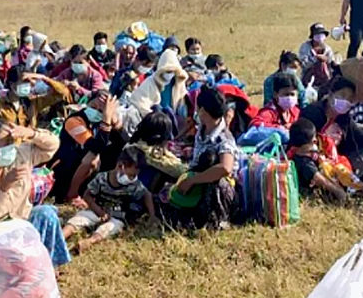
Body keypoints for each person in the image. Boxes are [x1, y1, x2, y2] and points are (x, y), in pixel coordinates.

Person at [0, 119, 69, 267]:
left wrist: (32, 133)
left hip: (21, 222)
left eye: (12, 141)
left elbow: (51, 146)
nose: (11, 147)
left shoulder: (20, 155)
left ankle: (47, 266)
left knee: (46, 213)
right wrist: (3, 189)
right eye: (6, 143)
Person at [168, 86, 238, 229]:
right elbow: (191, 123)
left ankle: (217, 221)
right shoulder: (204, 125)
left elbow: (225, 168)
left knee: (214, 175)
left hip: (217, 186)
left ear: (203, 111)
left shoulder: (223, 139)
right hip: (196, 174)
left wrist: (192, 181)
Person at [63, 146, 153, 252]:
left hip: (117, 217)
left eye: (134, 176)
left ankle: (89, 242)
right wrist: (98, 210)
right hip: (97, 211)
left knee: (110, 228)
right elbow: (88, 195)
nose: (132, 178)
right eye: (131, 175)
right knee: (80, 218)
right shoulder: (102, 178)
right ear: (120, 166)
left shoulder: (135, 185)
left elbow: (147, 194)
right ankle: (61, 235)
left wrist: (152, 215)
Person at [51, 91, 127, 202]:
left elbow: (122, 142)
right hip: (65, 166)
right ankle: (71, 195)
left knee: (116, 151)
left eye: (102, 109)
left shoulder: (99, 121)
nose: (97, 111)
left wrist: (115, 122)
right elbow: (96, 147)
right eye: (94, 107)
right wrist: (106, 119)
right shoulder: (75, 120)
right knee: (93, 157)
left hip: (84, 169)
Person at [300, 77, 363, 170]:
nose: (345, 101)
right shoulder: (312, 113)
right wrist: (324, 138)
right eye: (342, 95)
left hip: (336, 163)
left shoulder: (344, 119)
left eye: (349, 99)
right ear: (330, 95)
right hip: (312, 160)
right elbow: (302, 143)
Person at [287, 118, 350, 203]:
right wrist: (339, 192)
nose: (315, 141)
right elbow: (320, 180)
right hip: (312, 194)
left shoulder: (296, 152)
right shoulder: (304, 162)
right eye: (313, 141)